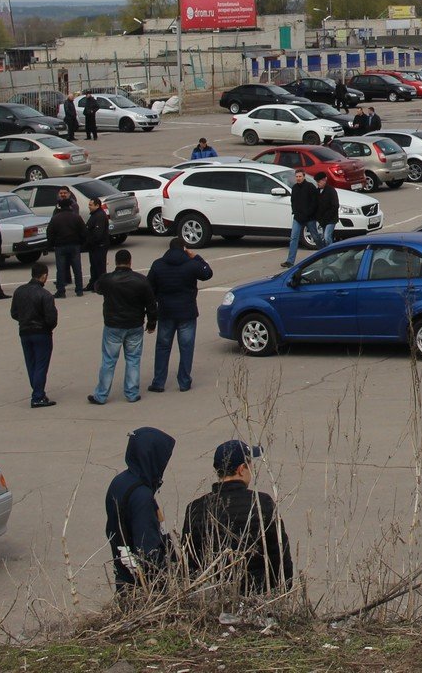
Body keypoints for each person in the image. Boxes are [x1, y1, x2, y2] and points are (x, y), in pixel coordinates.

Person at [182, 440, 292, 595]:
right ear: (241, 469)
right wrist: (282, 591)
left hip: (213, 596)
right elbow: (279, 554)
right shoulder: (262, 503)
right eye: (250, 464)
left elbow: (190, 561)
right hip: (257, 595)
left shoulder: (196, 508)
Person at [104, 427, 175, 593]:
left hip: (123, 572)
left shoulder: (121, 481)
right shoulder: (142, 496)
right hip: (140, 585)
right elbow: (148, 551)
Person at [88, 249, 157, 406]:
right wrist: (152, 322)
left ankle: (101, 395)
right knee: (133, 359)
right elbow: (151, 304)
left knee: (109, 360)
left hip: (113, 325)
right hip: (134, 324)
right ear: (130, 262)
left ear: (116, 262)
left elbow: (97, 287)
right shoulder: (141, 280)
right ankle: (132, 393)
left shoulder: (108, 280)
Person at [148, 237, 213, 394]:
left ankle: (158, 382)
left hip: (166, 311)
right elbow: (207, 273)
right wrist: (196, 257)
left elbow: (150, 288)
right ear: (184, 248)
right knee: (186, 347)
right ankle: (184, 381)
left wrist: (157, 302)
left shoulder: (158, 264)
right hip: (187, 311)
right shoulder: (191, 265)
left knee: (163, 347)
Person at [10, 261, 58, 407]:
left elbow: (14, 313)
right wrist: (46, 327)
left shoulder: (19, 291)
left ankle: (37, 391)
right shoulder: (45, 295)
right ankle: (37, 396)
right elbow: (51, 319)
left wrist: (24, 320)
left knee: (31, 364)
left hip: (24, 332)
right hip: (41, 333)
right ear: (44, 276)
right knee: (41, 365)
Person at [48, 195, 87, 299]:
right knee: (77, 268)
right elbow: (83, 232)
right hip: (74, 245)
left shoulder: (55, 218)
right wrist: (81, 243)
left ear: (60, 207)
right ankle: (79, 290)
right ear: (70, 206)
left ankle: (61, 291)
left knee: (60, 269)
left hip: (60, 246)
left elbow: (50, 233)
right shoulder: (76, 217)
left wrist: (52, 244)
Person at [282, 169, 320, 268]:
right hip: (297, 218)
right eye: (297, 176)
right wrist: (294, 211)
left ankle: (324, 253)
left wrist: (309, 213)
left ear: (304, 177)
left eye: (300, 176)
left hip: (309, 218)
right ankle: (290, 261)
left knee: (315, 237)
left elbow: (314, 202)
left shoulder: (310, 187)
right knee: (293, 238)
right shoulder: (294, 188)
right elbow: (293, 201)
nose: (298, 178)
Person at [86, 197, 112, 285]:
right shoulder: (94, 215)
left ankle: (101, 285)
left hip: (99, 246)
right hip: (94, 246)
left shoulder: (99, 216)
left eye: (90, 205)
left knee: (99, 267)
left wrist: (90, 242)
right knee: (94, 266)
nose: (89, 206)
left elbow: (98, 234)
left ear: (97, 205)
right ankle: (93, 283)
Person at [315, 172, 340, 248]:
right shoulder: (317, 191)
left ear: (324, 180)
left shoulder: (331, 191)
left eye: (319, 182)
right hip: (322, 220)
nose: (318, 184)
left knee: (327, 237)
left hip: (331, 219)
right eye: (317, 182)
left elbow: (335, 205)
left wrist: (327, 216)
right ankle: (327, 255)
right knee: (324, 237)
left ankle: (331, 252)